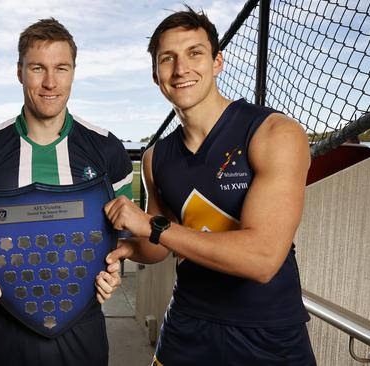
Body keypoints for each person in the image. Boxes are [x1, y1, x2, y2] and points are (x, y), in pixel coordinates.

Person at [104, 7, 316, 365]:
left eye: (194, 53)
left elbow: (262, 258)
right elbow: (157, 245)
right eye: (167, 58)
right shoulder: (157, 157)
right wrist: (128, 249)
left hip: (267, 336)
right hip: (186, 326)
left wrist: (152, 226)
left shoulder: (274, 133)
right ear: (156, 76)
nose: (181, 69)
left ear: (217, 62)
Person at [0, 18, 134, 366]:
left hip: (81, 328)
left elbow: (123, 240)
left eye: (61, 68)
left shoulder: (107, 149)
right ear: (20, 72)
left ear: (73, 72)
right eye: (38, 68)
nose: (50, 82)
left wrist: (115, 269)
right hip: (6, 326)